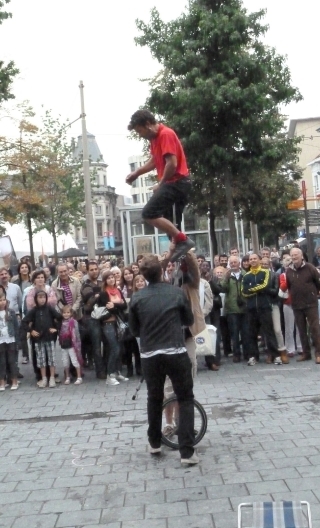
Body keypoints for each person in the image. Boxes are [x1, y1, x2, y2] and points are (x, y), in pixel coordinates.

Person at [129, 254, 198, 464]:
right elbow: (188, 319)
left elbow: (134, 329)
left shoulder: (137, 298)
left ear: (144, 275)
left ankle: (154, 442)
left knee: (154, 398)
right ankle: (186, 452)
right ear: (161, 271)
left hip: (150, 354)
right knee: (185, 398)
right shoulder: (176, 293)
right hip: (175, 351)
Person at [126, 110, 194, 263]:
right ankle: (181, 251)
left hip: (177, 182)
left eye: (139, 130)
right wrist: (137, 173)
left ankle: (183, 241)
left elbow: (172, 163)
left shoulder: (165, 134)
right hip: (174, 183)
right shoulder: (154, 139)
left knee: (149, 213)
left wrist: (161, 184)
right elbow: (155, 161)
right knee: (170, 225)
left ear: (148, 124)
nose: (140, 134)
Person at [285, 248, 320, 364]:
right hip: (296, 304)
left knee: (315, 329)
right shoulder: (289, 271)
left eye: (296, 255)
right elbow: (288, 286)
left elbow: (318, 283)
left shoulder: (310, 268)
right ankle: (306, 353)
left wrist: (314, 294)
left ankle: (318, 354)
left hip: (310, 303)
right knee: (301, 330)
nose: (294, 257)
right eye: (292, 255)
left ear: (302, 256)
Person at [242, 253, 281, 366]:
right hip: (251, 308)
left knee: (269, 332)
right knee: (251, 333)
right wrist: (256, 290)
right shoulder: (246, 276)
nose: (253, 261)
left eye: (255, 259)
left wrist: (251, 289)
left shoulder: (266, 272)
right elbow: (244, 292)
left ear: (259, 260)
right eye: (251, 259)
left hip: (264, 307)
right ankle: (253, 356)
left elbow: (265, 285)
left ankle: (275, 355)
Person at [21, 291, 62, 388]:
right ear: (36, 299)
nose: (42, 299)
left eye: (44, 297)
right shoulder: (34, 311)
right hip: (38, 339)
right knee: (41, 359)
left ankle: (52, 377)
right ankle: (44, 378)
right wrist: (31, 331)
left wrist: (56, 328)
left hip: (50, 338)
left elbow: (60, 318)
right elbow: (24, 322)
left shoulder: (50, 309)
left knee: (51, 358)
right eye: (40, 297)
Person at [97, 270, 128, 385]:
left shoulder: (118, 291)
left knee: (119, 347)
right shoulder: (103, 293)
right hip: (108, 323)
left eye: (112, 277)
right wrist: (117, 306)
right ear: (105, 281)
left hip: (118, 322)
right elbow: (107, 309)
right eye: (108, 278)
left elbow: (124, 305)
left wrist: (115, 305)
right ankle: (110, 375)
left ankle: (117, 372)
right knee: (114, 348)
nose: (111, 279)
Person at [220, 256, 249, 362]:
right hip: (232, 309)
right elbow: (222, 288)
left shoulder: (245, 274)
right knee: (234, 333)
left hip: (244, 307)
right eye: (231, 262)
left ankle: (247, 353)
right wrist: (226, 278)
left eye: (235, 262)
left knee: (246, 332)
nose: (233, 264)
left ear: (239, 263)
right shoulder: (227, 275)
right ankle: (236, 354)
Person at [81, 261, 106, 379]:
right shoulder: (85, 285)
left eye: (96, 269)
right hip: (91, 318)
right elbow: (89, 301)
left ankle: (108, 368)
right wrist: (99, 295)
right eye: (91, 269)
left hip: (105, 316)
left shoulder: (102, 282)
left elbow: (105, 296)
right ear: (87, 271)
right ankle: (100, 371)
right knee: (96, 346)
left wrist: (98, 295)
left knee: (108, 343)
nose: (94, 271)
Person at [0, 287, 19, 391]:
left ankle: (14, 380)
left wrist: (18, 339)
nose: (2, 302)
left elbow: (16, 326)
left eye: (3, 300)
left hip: (10, 338)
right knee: (1, 361)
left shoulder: (10, 312)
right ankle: (2, 382)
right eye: (0, 300)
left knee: (12, 360)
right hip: (1, 340)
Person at [59, 305, 83, 385]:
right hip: (64, 344)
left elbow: (77, 334)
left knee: (74, 360)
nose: (66, 314)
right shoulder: (61, 322)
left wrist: (78, 343)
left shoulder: (73, 322)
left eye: (68, 312)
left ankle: (79, 377)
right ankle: (67, 377)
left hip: (72, 344)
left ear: (71, 313)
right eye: (64, 313)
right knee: (65, 362)